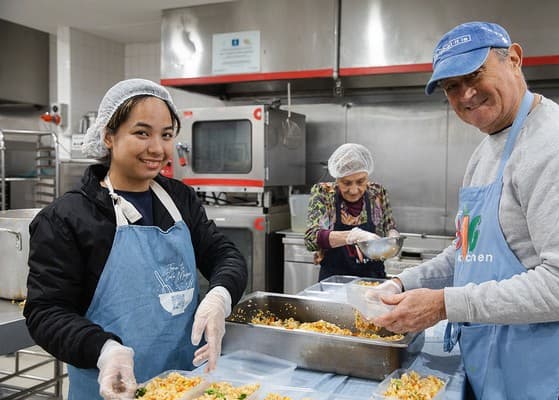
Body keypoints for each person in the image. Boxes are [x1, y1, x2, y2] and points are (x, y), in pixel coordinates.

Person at [369, 22, 559, 399]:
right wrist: (402, 284)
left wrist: (444, 305)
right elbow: (466, 250)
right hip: (496, 355)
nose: (466, 94)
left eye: (474, 75)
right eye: (451, 87)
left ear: (514, 60)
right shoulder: (487, 150)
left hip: (553, 369)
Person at [23, 79, 248, 400]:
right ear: (108, 135)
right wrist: (104, 349)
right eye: (142, 133)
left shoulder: (179, 200)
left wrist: (220, 296)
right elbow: (46, 311)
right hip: (110, 388)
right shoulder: (68, 217)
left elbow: (224, 254)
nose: (157, 148)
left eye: (166, 135)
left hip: (188, 385)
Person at [304, 143, 400, 281]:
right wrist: (352, 236)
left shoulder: (377, 193)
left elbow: (389, 226)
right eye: (346, 183)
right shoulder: (324, 193)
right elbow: (311, 239)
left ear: (368, 175)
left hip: (373, 279)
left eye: (361, 181)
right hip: (335, 281)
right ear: (337, 178)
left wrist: (392, 236)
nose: (354, 190)